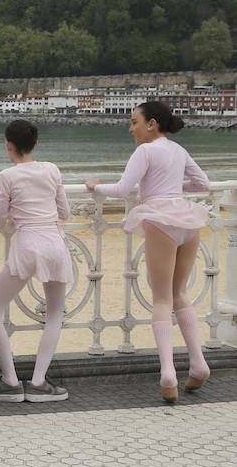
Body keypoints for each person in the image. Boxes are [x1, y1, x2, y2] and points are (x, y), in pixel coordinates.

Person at [87, 102, 210, 403]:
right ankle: (198, 363)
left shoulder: (145, 151)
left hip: (161, 220)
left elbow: (124, 188)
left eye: (134, 122)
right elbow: (203, 184)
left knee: (162, 298)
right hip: (187, 218)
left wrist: (95, 186)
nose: (131, 128)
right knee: (180, 294)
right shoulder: (178, 150)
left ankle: (168, 372)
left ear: (151, 123)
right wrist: (173, 190)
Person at [0, 120, 73, 404]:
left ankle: (10, 381)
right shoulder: (52, 169)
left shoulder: (7, 175)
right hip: (54, 244)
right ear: (36, 144)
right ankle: (40, 382)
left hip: (28, 246)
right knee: (54, 313)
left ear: (8, 145)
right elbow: (64, 211)